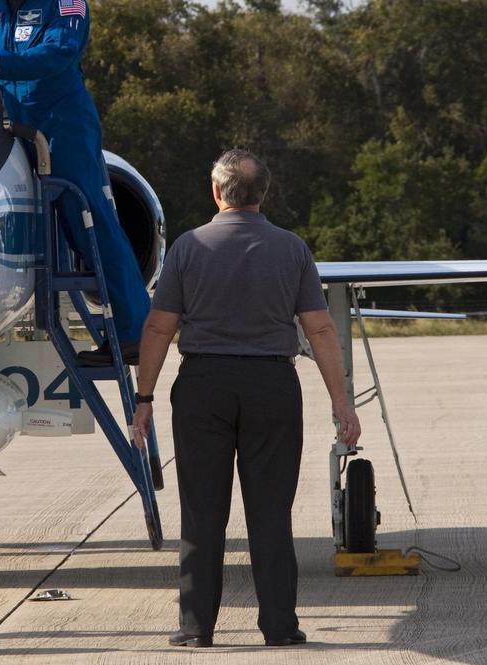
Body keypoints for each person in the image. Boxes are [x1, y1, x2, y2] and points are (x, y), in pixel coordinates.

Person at [130, 149, 361, 648]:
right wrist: (343, 404)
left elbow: (158, 326)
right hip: (272, 387)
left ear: (217, 193)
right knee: (271, 512)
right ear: (264, 194)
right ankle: (280, 627)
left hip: (203, 387)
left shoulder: (188, 249)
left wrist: (143, 397)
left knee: (203, 511)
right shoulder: (293, 249)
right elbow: (319, 327)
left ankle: (196, 629)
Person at [0, 0, 150, 364]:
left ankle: (133, 334)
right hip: (9, 129)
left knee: (92, 221)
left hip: (62, 127)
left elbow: (59, 54)